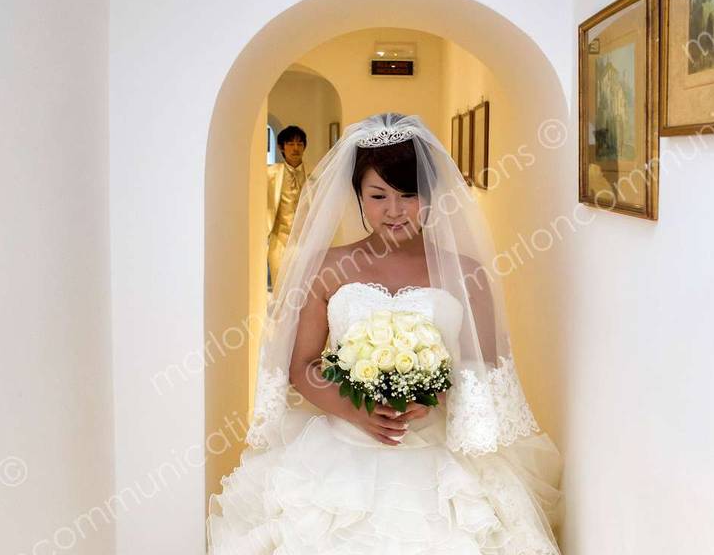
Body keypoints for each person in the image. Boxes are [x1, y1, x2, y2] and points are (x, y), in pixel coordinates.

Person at [209, 113, 563, 554]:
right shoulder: (327, 266)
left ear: (432, 196)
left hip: (439, 455)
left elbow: (482, 370)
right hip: (339, 450)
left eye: (409, 196)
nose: (394, 211)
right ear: (357, 196)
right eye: (378, 195)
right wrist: (358, 410)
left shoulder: (467, 273)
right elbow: (302, 367)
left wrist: (432, 395)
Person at [267, 125, 308, 290]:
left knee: (304, 289)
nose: (295, 148)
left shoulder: (313, 175)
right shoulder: (270, 174)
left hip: (306, 243)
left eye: (299, 143)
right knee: (281, 288)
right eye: (290, 143)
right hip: (280, 241)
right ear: (281, 147)